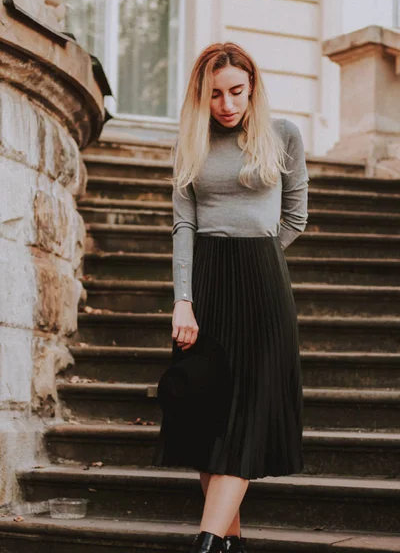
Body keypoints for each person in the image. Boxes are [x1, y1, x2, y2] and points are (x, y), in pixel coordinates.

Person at [153, 42, 309, 553]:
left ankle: (205, 543)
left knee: (246, 419)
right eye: (215, 94)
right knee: (207, 425)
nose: (226, 104)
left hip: (262, 282)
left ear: (253, 87)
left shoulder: (283, 135)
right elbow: (183, 224)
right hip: (206, 284)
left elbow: (294, 216)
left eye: (236, 91)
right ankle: (229, 544)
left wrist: (260, 258)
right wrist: (183, 298)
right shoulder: (190, 142)